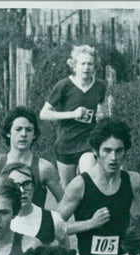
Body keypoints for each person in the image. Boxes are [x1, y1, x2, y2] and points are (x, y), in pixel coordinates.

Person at [57, 117, 140, 255]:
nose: (113, 157)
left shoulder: (132, 181)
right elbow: (55, 227)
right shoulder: (80, 185)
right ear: (95, 151)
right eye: (107, 151)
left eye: (119, 151)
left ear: (125, 152)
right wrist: (90, 223)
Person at [40, 45, 111, 187]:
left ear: (94, 67)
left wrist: (103, 115)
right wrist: (73, 114)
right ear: (74, 66)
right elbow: (44, 114)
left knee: (90, 183)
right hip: (66, 144)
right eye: (82, 64)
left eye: (90, 64)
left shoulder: (100, 86)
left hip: (88, 143)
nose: (86, 67)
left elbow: (103, 111)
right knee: (69, 191)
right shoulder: (64, 85)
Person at [0, 106, 63, 207]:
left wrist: (50, 221)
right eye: (18, 129)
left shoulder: (44, 168)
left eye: (29, 130)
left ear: (34, 134)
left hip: (33, 222)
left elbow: (64, 201)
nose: (24, 134)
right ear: (8, 132)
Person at [1, 162, 68, 246]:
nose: (22, 190)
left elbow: (65, 251)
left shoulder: (52, 219)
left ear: (33, 186)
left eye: (27, 184)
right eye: (15, 185)